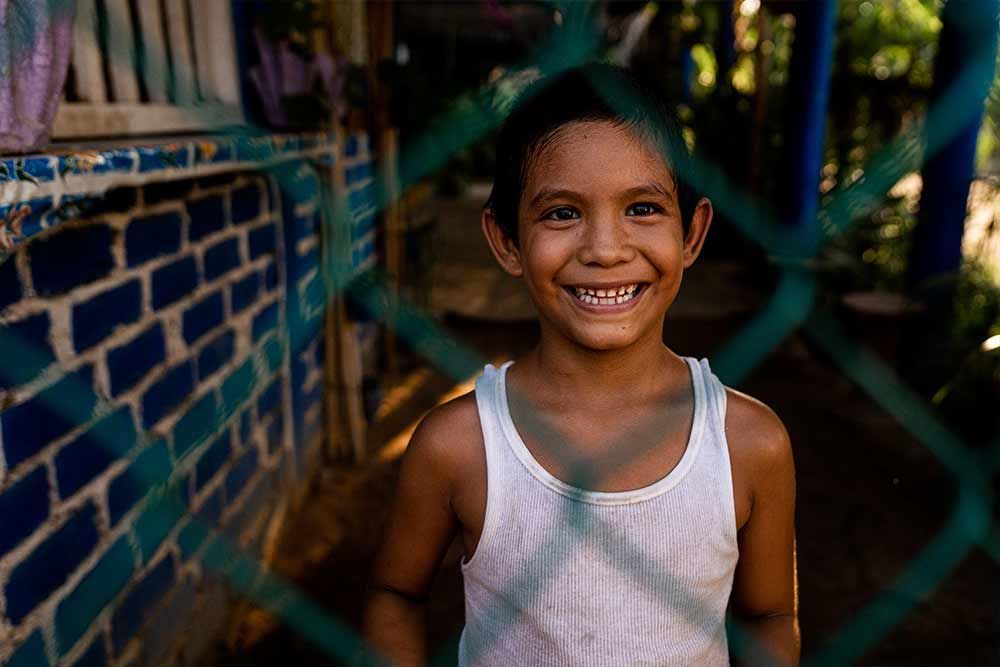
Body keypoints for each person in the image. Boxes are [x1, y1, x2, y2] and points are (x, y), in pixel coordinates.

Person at [364, 63, 798, 666]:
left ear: (692, 234)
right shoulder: (459, 446)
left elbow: (771, 615)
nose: (605, 250)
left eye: (643, 208)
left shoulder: (749, 445)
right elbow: (395, 594)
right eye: (562, 213)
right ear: (507, 242)